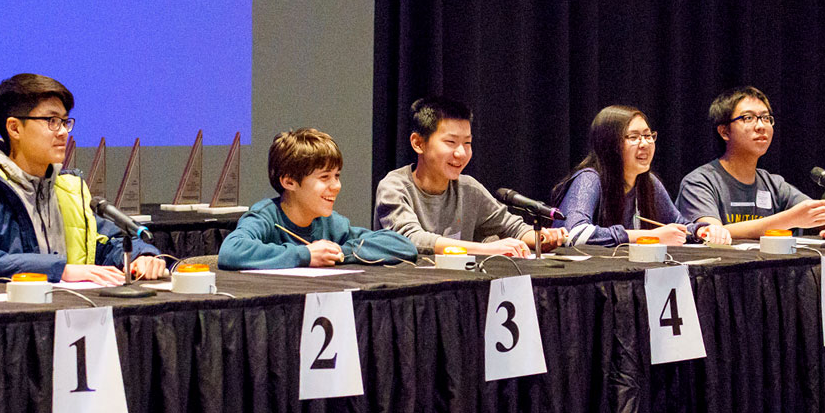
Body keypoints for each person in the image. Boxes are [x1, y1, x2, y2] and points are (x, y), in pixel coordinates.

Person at [0, 73, 165, 284]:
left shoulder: (68, 188)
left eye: (65, 122)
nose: (63, 132)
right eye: (51, 121)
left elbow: (109, 242)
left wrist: (140, 256)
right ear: (14, 128)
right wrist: (59, 270)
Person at [374, 96, 566, 256]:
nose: (461, 153)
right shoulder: (394, 187)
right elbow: (412, 240)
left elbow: (512, 227)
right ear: (418, 143)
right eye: (450, 142)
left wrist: (543, 238)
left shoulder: (468, 188)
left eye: (467, 143)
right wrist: (487, 249)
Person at [219, 128, 417, 270]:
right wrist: (305, 255)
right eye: (325, 177)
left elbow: (402, 245)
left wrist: (338, 253)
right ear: (289, 182)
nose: (336, 186)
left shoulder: (332, 224)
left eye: (337, 176)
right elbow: (231, 251)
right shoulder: (265, 217)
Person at [675, 86, 825, 239]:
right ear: (724, 132)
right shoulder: (699, 182)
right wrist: (789, 219)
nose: (761, 126)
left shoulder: (774, 184)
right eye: (748, 118)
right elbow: (713, 233)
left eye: (766, 118)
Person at [550, 105, 731, 247]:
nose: (644, 143)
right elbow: (574, 234)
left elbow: (677, 224)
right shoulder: (589, 178)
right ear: (610, 144)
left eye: (648, 135)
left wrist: (703, 231)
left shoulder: (648, 181)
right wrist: (650, 236)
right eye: (634, 137)